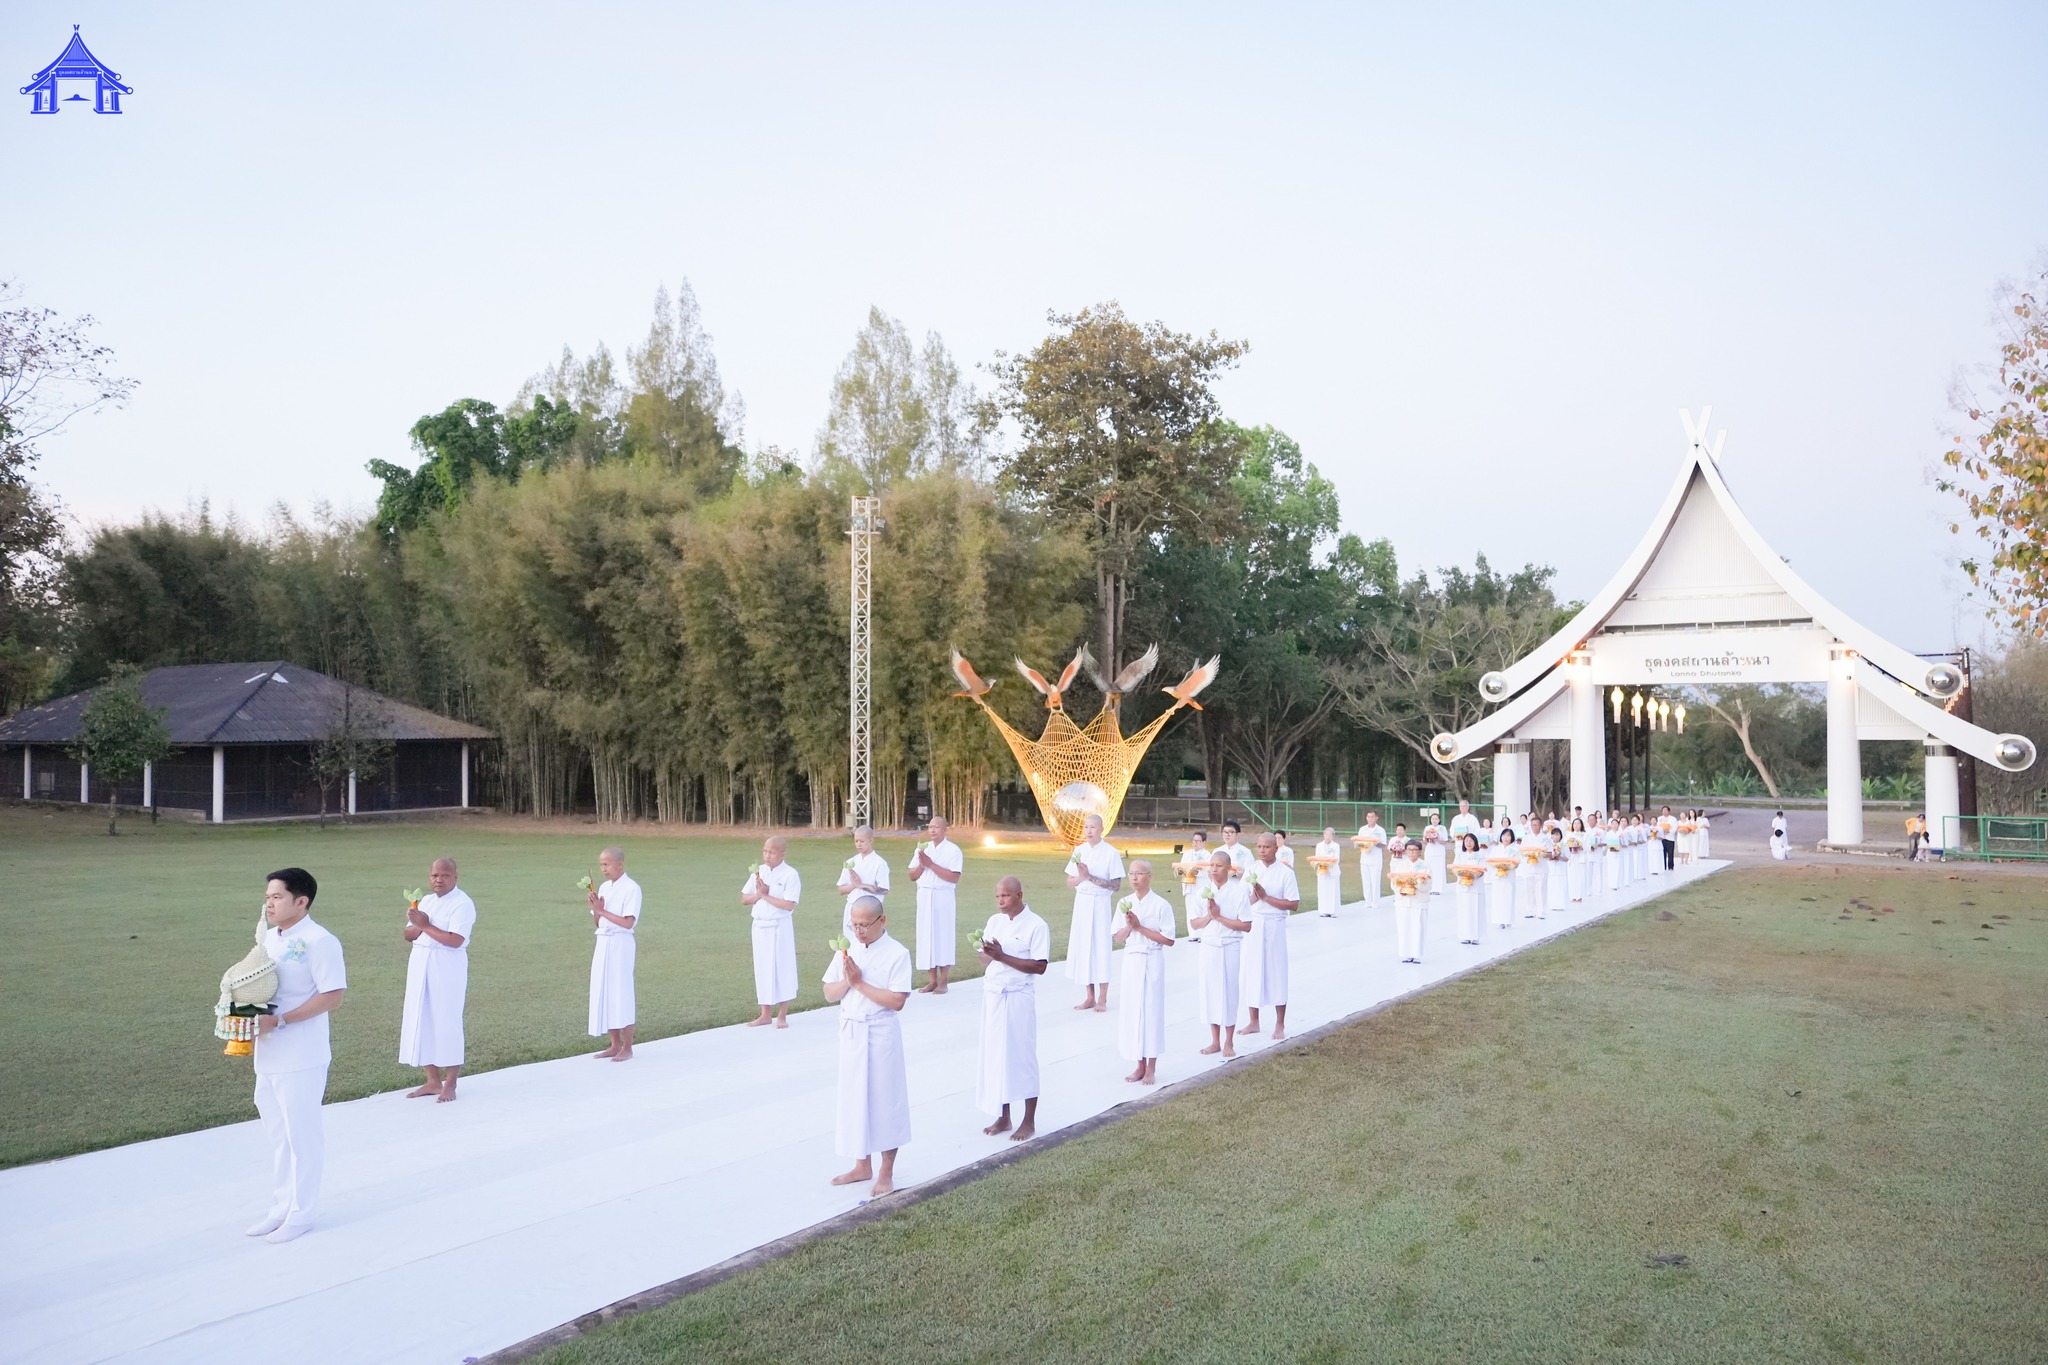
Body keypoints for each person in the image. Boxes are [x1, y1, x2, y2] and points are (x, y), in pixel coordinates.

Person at [246, 867, 346, 1243]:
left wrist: (282, 1020)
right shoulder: (269, 937)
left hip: (301, 1053)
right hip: (268, 1052)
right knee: (278, 1136)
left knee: (302, 1135)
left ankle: (302, 1214)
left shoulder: (321, 941)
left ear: (301, 902)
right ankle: (280, 1208)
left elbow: (333, 996)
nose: (268, 903)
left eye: (277, 897)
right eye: (268, 896)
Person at [825, 895, 913, 1197]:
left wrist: (859, 983)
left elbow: (897, 1001)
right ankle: (861, 1164)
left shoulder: (897, 953)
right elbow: (828, 992)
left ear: (882, 921)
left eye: (864, 924)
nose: (859, 930)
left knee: (885, 1101)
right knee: (854, 1099)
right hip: (851, 1031)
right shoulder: (847, 949)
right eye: (854, 924)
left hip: (880, 1032)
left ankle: (886, 1171)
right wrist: (848, 982)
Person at [972, 876, 1049, 1142]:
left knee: (1021, 1055)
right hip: (994, 994)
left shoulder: (1036, 925)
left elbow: (1040, 966)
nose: (1000, 900)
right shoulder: (995, 921)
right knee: (996, 1055)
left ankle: (1029, 1120)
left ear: (1019, 895)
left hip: (1018, 997)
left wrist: (1002, 955)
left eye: (1005, 895)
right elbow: (984, 958)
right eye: (997, 896)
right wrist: (987, 952)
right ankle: (1003, 1115)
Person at [399, 856, 474, 1103]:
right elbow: (408, 934)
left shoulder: (462, 903)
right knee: (422, 1018)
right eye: (434, 875)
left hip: (447, 965)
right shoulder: (426, 901)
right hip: (421, 963)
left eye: (444, 875)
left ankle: (450, 1082)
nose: (438, 879)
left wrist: (425, 925)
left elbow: (455, 940)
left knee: (446, 1020)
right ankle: (432, 1080)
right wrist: (418, 923)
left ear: (455, 877)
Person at [1113, 859, 1177, 1085]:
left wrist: (1140, 928)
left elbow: (1168, 939)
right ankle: (1138, 1064)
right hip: (1132, 960)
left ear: (1149, 876)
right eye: (1131, 874)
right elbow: (1118, 938)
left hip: (1151, 959)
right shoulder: (1125, 903)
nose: (1134, 878)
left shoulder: (1161, 905)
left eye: (1139, 874)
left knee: (1150, 1011)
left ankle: (1151, 1066)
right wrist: (1130, 926)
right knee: (1133, 1012)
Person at [1240, 831, 1301, 1042]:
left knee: (1276, 971)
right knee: (1252, 970)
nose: (1262, 851)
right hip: (1255, 925)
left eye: (1266, 847)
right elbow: (1243, 903)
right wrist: (1255, 898)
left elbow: (1293, 904)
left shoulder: (1285, 872)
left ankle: (1279, 1022)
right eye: (1259, 847)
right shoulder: (1251, 870)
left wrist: (1267, 897)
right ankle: (1254, 1020)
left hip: (1275, 925)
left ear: (1276, 848)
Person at [1191, 850, 1250, 1058]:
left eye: (1219, 866)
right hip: (1208, 947)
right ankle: (1214, 1041)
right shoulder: (1203, 891)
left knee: (1229, 992)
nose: (1214, 869)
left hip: (1229, 946)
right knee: (1210, 993)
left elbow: (1246, 925)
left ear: (1228, 868)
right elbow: (1194, 923)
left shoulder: (1238, 892)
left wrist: (1220, 917)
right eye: (1212, 865)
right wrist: (1210, 915)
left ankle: (1229, 1041)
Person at [1064, 813, 1125, 1011]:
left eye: (1092, 827)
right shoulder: (1079, 851)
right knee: (1084, 948)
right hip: (1082, 903)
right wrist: (1082, 877)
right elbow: (1069, 882)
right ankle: (1089, 996)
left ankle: (1103, 998)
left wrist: (1089, 876)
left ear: (1101, 829)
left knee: (1100, 947)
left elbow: (1115, 885)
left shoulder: (1111, 853)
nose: (1088, 831)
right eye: (1086, 827)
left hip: (1100, 904)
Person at [587, 845, 641, 1061]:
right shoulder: (604, 887)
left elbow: (628, 923)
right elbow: (597, 920)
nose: (603, 869)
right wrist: (596, 909)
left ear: (620, 864)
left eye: (607, 864)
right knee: (605, 989)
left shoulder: (631, 888)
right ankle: (614, 1044)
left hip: (621, 943)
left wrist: (602, 910)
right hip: (603, 941)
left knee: (622, 990)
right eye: (601, 864)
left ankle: (627, 1047)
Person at [741, 835, 801, 1028]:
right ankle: (765, 1013)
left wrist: (765, 895)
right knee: (762, 968)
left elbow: (789, 905)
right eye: (765, 851)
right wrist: (759, 895)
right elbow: (744, 899)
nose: (767, 856)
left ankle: (782, 1015)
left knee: (783, 967)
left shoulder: (790, 875)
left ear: (782, 854)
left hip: (779, 926)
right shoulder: (759, 872)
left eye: (772, 852)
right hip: (760, 926)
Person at [908, 815, 964, 994]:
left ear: (945, 830)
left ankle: (944, 980)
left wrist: (931, 865)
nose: (932, 830)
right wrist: (922, 865)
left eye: (936, 827)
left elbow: (954, 877)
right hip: (924, 895)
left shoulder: (953, 850)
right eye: (930, 827)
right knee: (926, 937)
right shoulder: (922, 849)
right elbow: (912, 875)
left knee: (943, 936)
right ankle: (931, 980)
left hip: (943, 896)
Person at [837, 825, 892, 937]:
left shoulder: (879, 863)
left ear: (870, 840)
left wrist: (861, 885)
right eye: (856, 841)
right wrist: (854, 885)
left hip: (870, 910)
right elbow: (841, 890)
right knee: (849, 941)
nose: (858, 844)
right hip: (851, 908)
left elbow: (884, 890)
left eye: (862, 841)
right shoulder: (851, 862)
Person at [1391, 841, 1431, 963]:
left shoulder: (1425, 865)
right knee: (1404, 927)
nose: (1412, 852)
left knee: (1417, 927)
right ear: (1406, 851)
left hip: (1418, 901)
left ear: (1419, 851)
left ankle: (1416, 954)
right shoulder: (1401, 865)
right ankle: (1406, 953)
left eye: (1415, 850)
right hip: (1403, 901)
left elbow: (1428, 885)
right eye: (1409, 850)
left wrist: (1416, 884)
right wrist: (1401, 888)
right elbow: (1393, 882)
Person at [1175, 831, 1211, 936]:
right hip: (1189, 885)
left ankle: (1202, 934)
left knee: (1201, 909)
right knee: (1190, 909)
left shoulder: (1207, 855)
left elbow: (1208, 870)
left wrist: (1197, 872)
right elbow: (1182, 866)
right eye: (1194, 841)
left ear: (1204, 842)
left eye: (1198, 841)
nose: (1195, 843)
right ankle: (1192, 934)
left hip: (1201, 885)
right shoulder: (1187, 853)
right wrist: (1181, 870)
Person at [1451, 834, 1484, 944]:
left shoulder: (1480, 854)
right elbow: (1455, 868)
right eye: (1466, 841)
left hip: (1475, 886)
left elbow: (1482, 869)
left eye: (1471, 841)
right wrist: (1462, 874)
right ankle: (1464, 935)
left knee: (1475, 911)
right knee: (1463, 911)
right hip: (1462, 886)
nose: (1468, 843)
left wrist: (1473, 875)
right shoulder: (1460, 854)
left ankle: (1475, 936)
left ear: (1475, 842)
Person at [1352, 813, 1387, 912]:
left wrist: (1375, 843)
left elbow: (1383, 845)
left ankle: (1375, 902)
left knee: (1375, 880)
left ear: (1376, 818)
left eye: (1372, 817)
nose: (1370, 819)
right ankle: (1367, 901)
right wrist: (1362, 844)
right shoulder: (1362, 829)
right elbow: (1358, 842)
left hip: (1376, 858)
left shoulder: (1380, 830)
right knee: (1366, 880)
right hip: (1365, 858)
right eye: (1368, 817)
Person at [1488, 829, 1518, 930]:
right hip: (1498, 876)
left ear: (1512, 838)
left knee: (1508, 897)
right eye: (1504, 835)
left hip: (1509, 876)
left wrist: (1509, 866)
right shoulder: (1496, 849)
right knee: (1498, 898)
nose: (1506, 838)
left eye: (1508, 836)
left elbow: (1517, 862)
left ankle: (1508, 920)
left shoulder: (1515, 849)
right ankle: (1499, 920)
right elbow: (1491, 861)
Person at [1311, 826, 1343, 917]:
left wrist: (1328, 864)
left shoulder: (1336, 846)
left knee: (1333, 891)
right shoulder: (1319, 845)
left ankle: (1333, 911)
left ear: (1333, 836)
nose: (1327, 836)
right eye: (1326, 834)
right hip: (1322, 871)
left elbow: (1336, 858)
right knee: (1322, 890)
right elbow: (1317, 857)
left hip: (1332, 871)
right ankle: (1323, 910)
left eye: (1330, 835)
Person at [1421, 813, 1449, 897]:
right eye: (1433, 819)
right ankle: (1429, 887)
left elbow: (1445, 841)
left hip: (1439, 851)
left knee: (1438, 869)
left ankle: (1437, 888)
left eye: (1436, 819)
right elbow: (1424, 842)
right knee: (1429, 869)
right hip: (1429, 851)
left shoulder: (1442, 828)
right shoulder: (1427, 828)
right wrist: (1427, 839)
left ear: (1439, 820)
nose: (1434, 820)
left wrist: (1437, 840)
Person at [1656, 806, 1677, 872]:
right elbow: (1657, 827)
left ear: (1669, 811)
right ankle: (1663, 866)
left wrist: (1669, 831)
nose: (1664, 812)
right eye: (1663, 810)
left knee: (1670, 853)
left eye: (1666, 810)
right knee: (1662, 853)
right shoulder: (1659, 819)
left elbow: (1674, 828)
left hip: (1670, 838)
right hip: (1662, 838)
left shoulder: (1673, 819)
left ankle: (1671, 867)